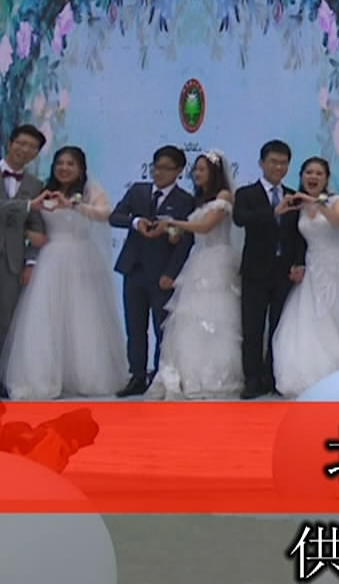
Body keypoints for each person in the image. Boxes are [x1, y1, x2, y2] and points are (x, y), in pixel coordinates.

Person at [0, 145, 121, 400]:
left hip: (81, 259)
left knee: (83, 317)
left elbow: (106, 214)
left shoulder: (90, 191)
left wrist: (75, 206)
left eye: (70, 164)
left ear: (81, 168)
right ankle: (42, 377)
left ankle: (86, 377)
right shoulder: (43, 190)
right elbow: (27, 222)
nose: (64, 168)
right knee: (45, 317)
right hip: (49, 260)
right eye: (60, 163)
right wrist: (29, 234)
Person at [272, 157, 339, 398]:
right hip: (311, 266)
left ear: (326, 178)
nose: (313, 177)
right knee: (307, 318)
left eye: (319, 173)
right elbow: (291, 237)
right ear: (301, 176)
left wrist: (315, 202)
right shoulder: (296, 204)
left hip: (335, 265)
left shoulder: (335, 201)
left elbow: (338, 221)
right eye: (309, 172)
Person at [150, 151, 243, 400]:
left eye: (202, 169)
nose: (197, 174)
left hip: (217, 261)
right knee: (190, 318)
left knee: (217, 317)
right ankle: (189, 373)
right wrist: (174, 233)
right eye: (196, 169)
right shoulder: (200, 200)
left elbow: (206, 226)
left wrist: (174, 223)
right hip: (199, 260)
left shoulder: (224, 197)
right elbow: (195, 231)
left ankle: (216, 376)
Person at [108, 144, 196, 395]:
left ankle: (160, 374)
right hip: (134, 268)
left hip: (161, 273)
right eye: (156, 167)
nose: (159, 173)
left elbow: (186, 241)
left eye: (166, 168)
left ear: (179, 171)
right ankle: (136, 374)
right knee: (135, 327)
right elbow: (115, 217)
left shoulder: (185, 200)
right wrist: (135, 222)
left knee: (162, 327)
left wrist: (172, 273)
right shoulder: (138, 191)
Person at [230, 140, 308, 399]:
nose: (278, 167)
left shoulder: (293, 195)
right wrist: (273, 211)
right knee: (252, 327)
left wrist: (298, 262)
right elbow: (240, 219)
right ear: (262, 163)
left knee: (279, 326)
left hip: (283, 271)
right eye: (273, 162)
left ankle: (271, 375)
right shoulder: (246, 194)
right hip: (255, 270)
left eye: (283, 163)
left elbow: (298, 235)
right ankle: (251, 379)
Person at [0, 124, 47, 397]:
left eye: (32, 147)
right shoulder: (32, 197)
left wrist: (30, 263)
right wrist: (27, 206)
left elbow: (38, 229)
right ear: (10, 143)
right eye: (21, 143)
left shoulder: (35, 185)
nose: (25, 150)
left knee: (6, 322)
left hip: (12, 263)